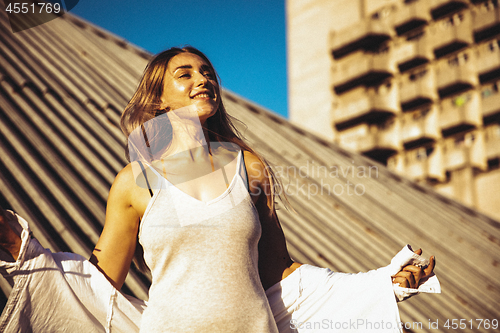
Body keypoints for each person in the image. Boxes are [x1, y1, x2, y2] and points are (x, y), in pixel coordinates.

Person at [0, 46, 438, 333]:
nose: (202, 79)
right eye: (184, 74)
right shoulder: (135, 182)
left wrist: (380, 285)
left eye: (207, 72)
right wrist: (31, 257)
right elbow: (100, 283)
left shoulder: (248, 167)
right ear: (158, 100)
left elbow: (280, 272)